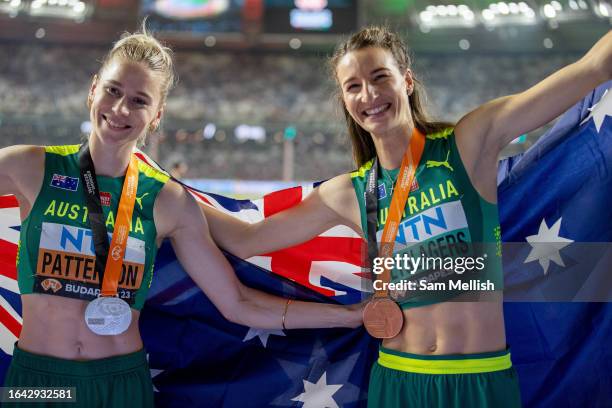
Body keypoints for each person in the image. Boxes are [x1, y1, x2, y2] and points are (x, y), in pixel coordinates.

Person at [202, 26, 612, 407]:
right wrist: (161, 192)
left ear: (407, 81)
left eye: (381, 77)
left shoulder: (468, 143)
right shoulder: (349, 192)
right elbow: (246, 239)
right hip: (399, 379)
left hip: (479, 379)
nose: (369, 94)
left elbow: (591, 68)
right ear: (345, 100)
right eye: (354, 86)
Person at [0, 27, 363, 407]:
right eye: (113, 90)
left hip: (122, 384)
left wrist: (350, 317)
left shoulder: (167, 200)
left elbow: (238, 303)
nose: (121, 108)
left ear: (156, 115)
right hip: (36, 381)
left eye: (139, 101)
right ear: (93, 89)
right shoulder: (29, 167)